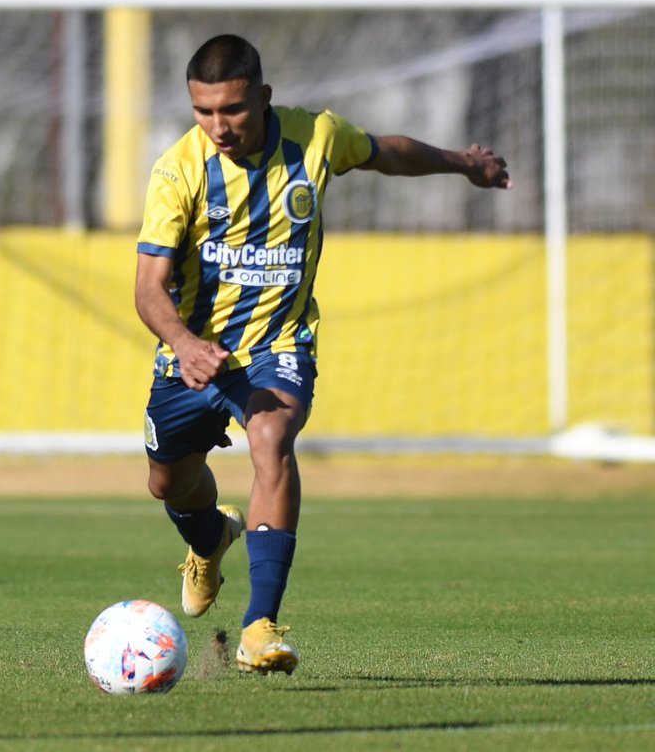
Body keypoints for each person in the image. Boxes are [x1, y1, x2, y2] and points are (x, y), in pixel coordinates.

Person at [135, 34, 510, 675]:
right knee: (167, 483)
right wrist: (185, 343)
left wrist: (461, 163)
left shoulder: (317, 137)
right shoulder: (178, 170)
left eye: (233, 109)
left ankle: (260, 626)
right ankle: (210, 537)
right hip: (196, 355)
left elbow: (387, 152)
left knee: (272, 436)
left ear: (264, 96)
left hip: (279, 343)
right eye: (204, 111)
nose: (219, 126)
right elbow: (149, 289)